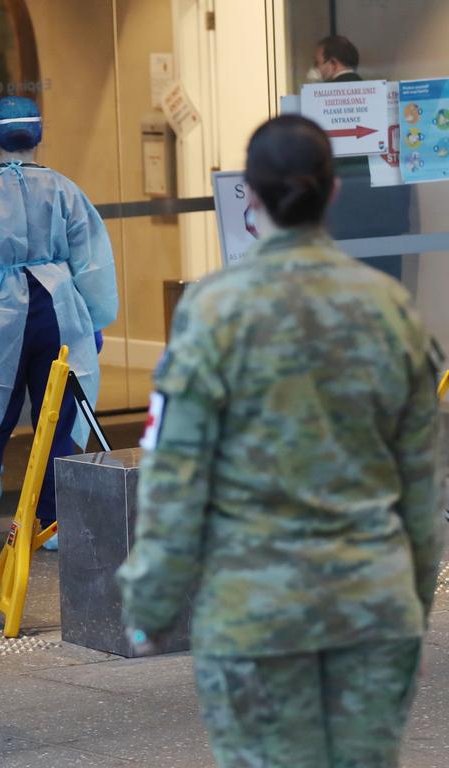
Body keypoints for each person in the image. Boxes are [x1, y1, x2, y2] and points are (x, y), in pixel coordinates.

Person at [117, 115, 444, 768]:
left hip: (254, 613)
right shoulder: (391, 309)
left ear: (251, 199)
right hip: (372, 605)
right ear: (334, 193)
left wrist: (150, 602)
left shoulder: (214, 310)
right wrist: (413, 592)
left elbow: (177, 471)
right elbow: (422, 484)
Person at [0, 97, 118, 559]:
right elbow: (91, 258)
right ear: (39, 138)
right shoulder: (64, 190)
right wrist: (93, 318)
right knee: (57, 415)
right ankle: (55, 518)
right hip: (59, 310)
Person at [308, 34, 408, 280]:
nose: (317, 70)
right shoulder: (380, 94)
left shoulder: (317, 99)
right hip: (387, 212)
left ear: (332, 64)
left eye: (318, 62)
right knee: (385, 281)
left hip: (342, 212)